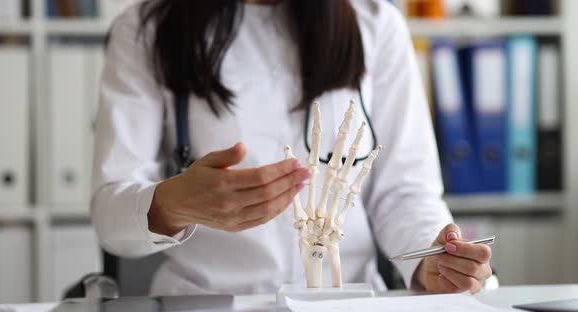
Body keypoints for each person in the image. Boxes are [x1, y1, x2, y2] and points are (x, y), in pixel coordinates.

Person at [91, 0, 493, 296]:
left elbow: (405, 191)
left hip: (350, 301)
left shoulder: (377, 25)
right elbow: (111, 214)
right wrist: (171, 203)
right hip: (206, 300)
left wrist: (430, 260)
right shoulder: (146, 30)